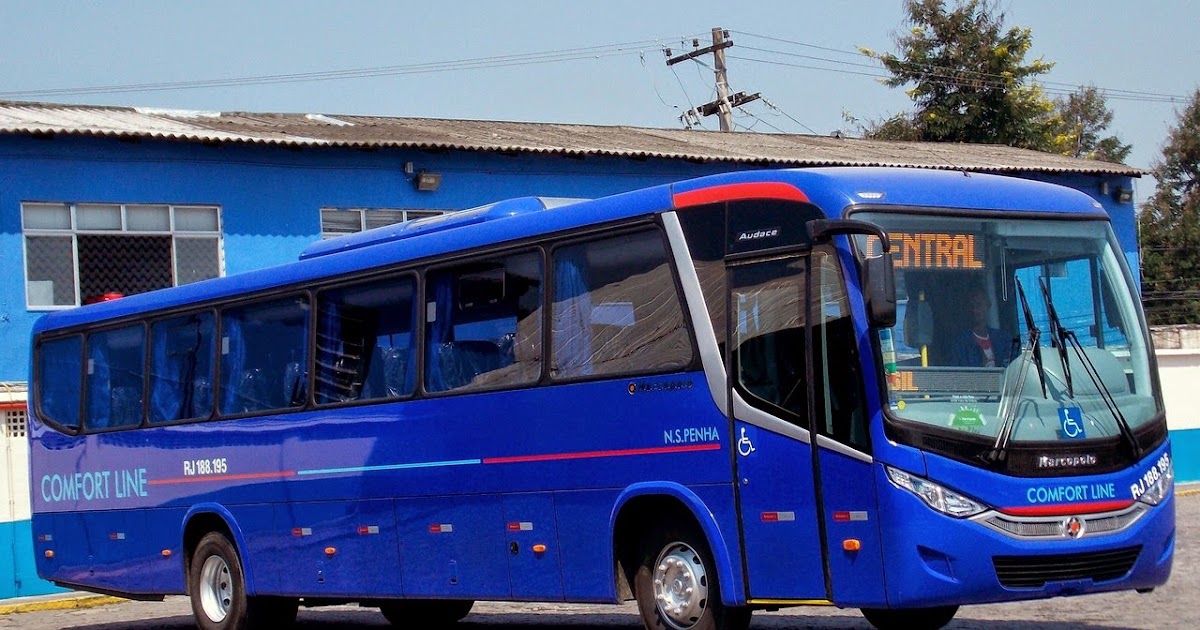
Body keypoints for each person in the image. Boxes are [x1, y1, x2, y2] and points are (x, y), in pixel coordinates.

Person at [952, 288, 1013, 367]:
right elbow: (957, 374)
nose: (974, 310)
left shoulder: (1003, 339)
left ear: (988, 306)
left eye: (978, 305)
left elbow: (1012, 368)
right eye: (971, 306)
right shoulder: (961, 344)